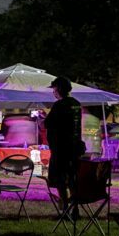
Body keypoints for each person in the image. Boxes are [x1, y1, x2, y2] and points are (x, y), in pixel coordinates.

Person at [44, 76, 83, 213]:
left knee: (60, 179)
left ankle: (65, 208)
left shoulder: (59, 105)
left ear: (59, 89)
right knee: (73, 178)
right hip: (75, 147)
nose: (53, 92)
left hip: (60, 149)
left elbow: (48, 123)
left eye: (54, 89)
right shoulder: (76, 104)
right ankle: (75, 209)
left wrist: (42, 118)